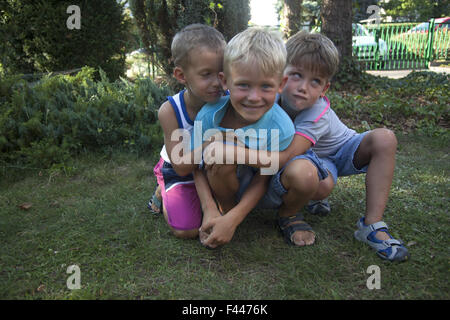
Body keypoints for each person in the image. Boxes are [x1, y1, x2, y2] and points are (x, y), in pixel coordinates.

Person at [277, 30, 410, 261]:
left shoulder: (317, 110)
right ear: (281, 75)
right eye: (297, 75)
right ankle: (311, 200)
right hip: (316, 159)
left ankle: (372, 225)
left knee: (385, 138)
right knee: (321, 186)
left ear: (324, 89)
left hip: (344, 148)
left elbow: (288, 153)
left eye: (315, 81)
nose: (303, 87)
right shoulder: (270, 101)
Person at [194, 27, 303, 249]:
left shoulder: (282, 127)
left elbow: (263, 179)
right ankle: (223, 208)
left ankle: (233, 216)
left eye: (266, 86)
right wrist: (209, 209)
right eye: (243, 85)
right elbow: (196, 165)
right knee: (218, 150)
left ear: (280, 85)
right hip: (223, 182)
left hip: (261, 189)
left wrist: (235, 219)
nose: (254, 97)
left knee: (224, 149)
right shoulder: (208, 115)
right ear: (225, 82)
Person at [150, 24, 226, 239]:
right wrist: (214, 140)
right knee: (186, 230)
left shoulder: (228, 100)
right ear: (181, 75)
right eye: (206, 74)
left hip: (210, 166)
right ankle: (161, 189)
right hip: (177, 167)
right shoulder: (170, 111)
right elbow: (182, 166)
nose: (217, 83)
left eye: (222, 74)